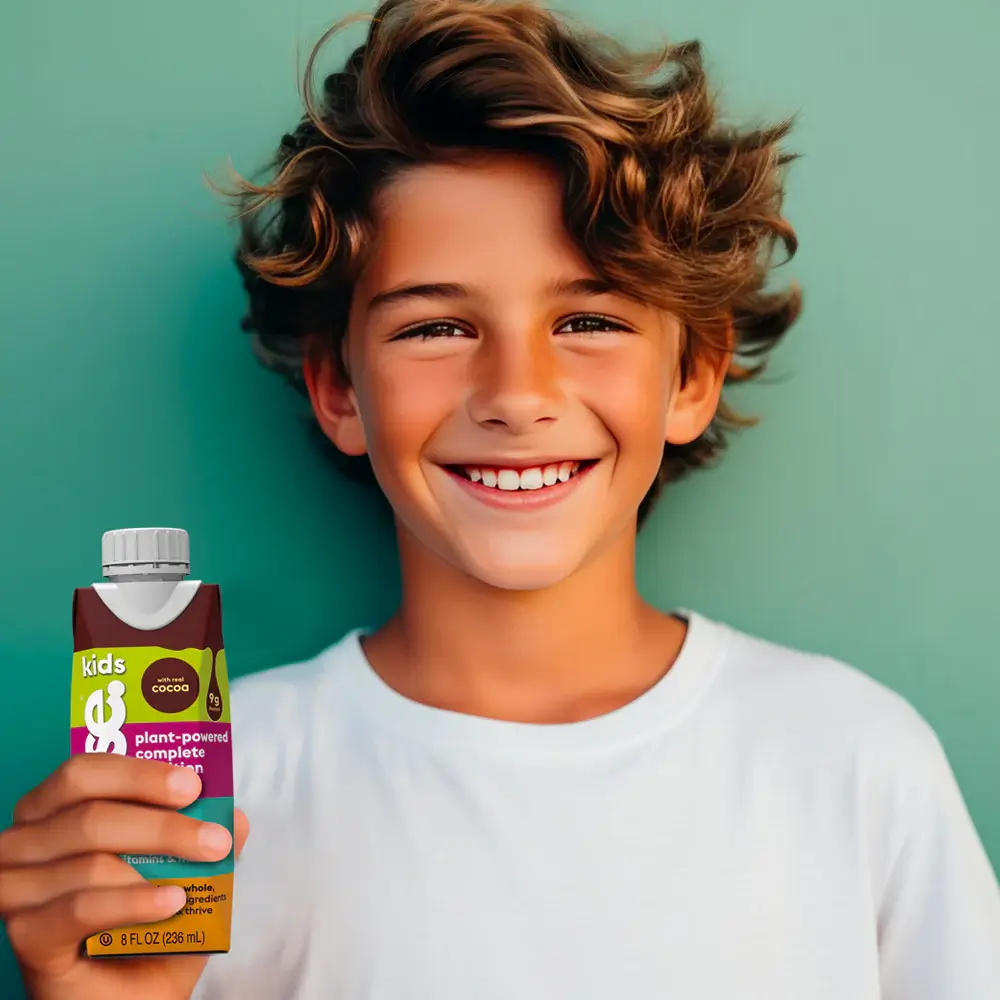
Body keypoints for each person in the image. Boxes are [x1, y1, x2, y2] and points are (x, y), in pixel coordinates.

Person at [2, 1, 999, 997]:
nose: (517, 394)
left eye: (589, 318)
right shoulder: (204, 798)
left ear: (691, 374)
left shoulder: (853, 760)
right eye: (434, 329)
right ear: (339, 390)